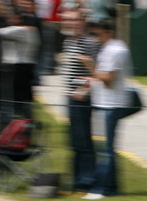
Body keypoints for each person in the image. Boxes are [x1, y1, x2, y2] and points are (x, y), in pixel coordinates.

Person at [82, 18, 132, 199]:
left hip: (110, 104)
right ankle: (111, 187)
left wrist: (90, 67)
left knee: (105, 150)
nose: (95, 38)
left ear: (108, 32)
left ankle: (102, 189)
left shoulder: (116, 50)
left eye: (97, 34)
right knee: (106, 148)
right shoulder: (109, 49)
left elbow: (109, 80)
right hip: (105, 103)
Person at [59, 8, 98, 191]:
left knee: (83, 141)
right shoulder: (68, 42)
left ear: (83, 21)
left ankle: (86, 180)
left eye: (75, 20)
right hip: (70, 97)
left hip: (82, 99)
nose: (71, 23)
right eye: (68, 20)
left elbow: (97, 72)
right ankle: (76, 179)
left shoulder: (90, 42)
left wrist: (84, 90)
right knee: (74, 140)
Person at [0, 6, 39, 125]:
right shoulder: (32, 33)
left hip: (16, 69)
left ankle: (12, 128)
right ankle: (26, 127)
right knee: (25, 101)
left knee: (12, 101)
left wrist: (15, 27)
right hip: (26, 68)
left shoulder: (21, 31)